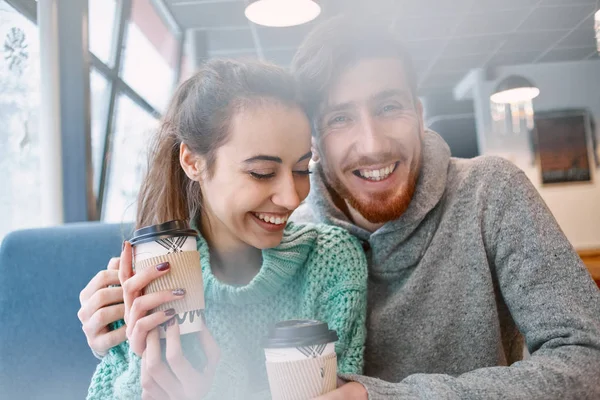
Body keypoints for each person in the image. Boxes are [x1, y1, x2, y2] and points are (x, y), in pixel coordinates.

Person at [287, 17, 600, 400]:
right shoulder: (292, 238)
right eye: (340, 118)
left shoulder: (490, 192)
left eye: (389, 106)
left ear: (419, 116)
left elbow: (589, 360)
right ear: (314, 143)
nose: (373, 144)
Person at [79, 59, 368, 399]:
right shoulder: (152, 279)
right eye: (261, 172)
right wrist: (138, 368)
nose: (292, 198)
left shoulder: (332, 261)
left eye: (303, 169)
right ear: (192, 162)